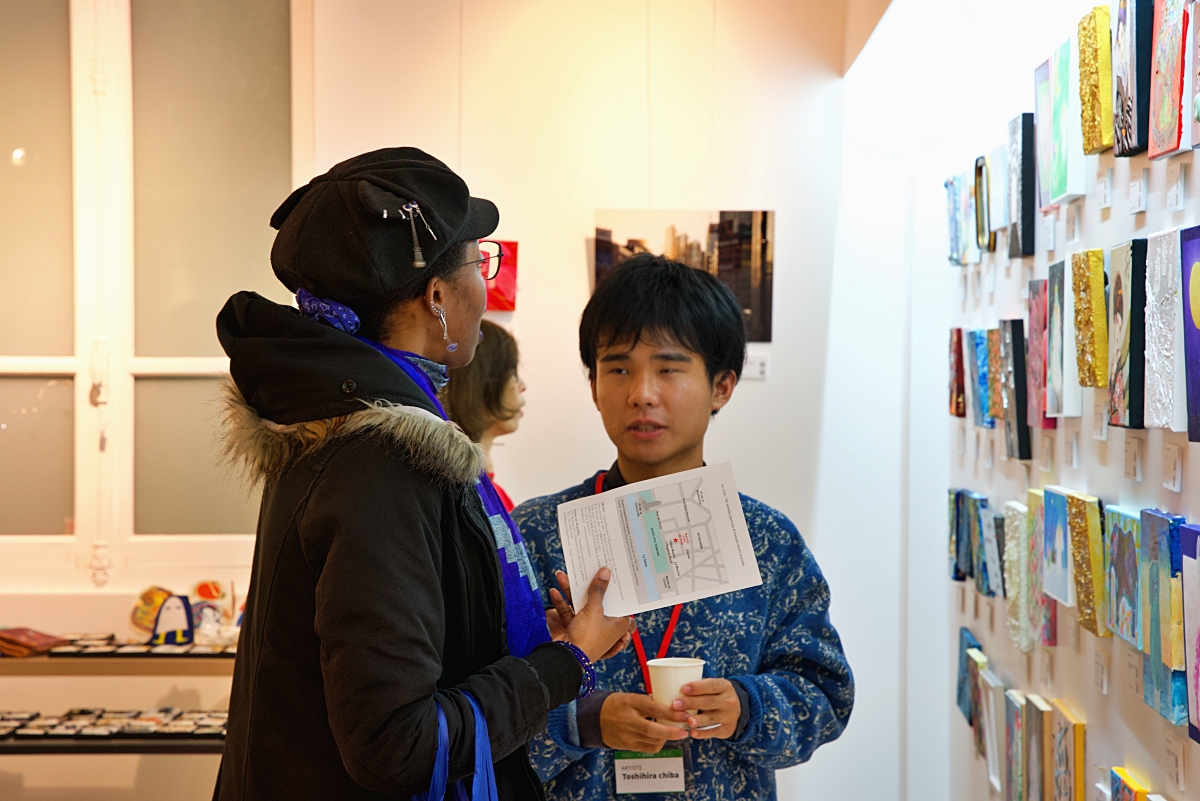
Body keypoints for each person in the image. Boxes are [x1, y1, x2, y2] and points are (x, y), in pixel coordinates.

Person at [213, 147, 632, 801]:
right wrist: (563, 663)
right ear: (436, 297)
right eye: (479, 264)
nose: (484, 287)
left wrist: (523, 642)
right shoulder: (382, 464)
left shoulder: (337, 425)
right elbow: (397, 747)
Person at [514, 254, 855, 801]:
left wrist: (747, 707)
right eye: (618, 369)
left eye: (669, 369)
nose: (642, 393)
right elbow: (476, 715)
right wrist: (581, 723)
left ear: (722, 386)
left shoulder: (765, 540)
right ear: (593, 384)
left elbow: (825, 696)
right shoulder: (533, 533)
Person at [443, 319, 525, 511]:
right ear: (480, 381)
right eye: (512, 371)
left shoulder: (493, 493)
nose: (522, 385)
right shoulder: (454, 497)